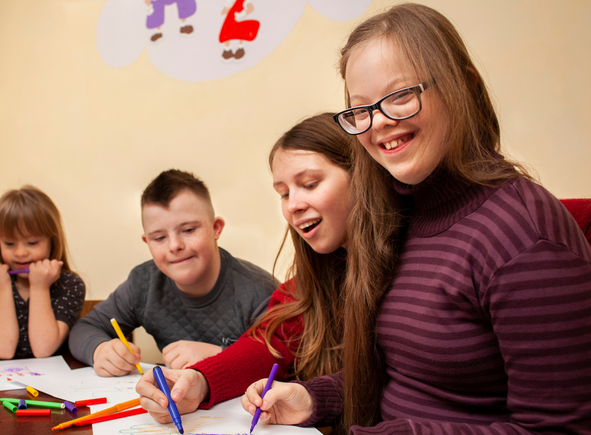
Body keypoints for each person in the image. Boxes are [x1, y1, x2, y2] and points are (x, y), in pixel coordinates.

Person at [241, 4, 591, 434]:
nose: (381, 123)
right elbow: (409, 379)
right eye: (362, 109)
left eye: (402, 95)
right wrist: (316, 397)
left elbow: (562, 429)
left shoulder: (524, 234)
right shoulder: (402, 219)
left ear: (465, 84)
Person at [136, 113, 355, 422]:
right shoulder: (310, 283)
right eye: (284, 193)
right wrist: (200, 381)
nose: (293, 205)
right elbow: (270, 343)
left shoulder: (410, 268)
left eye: (309, 184)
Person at [69, 169, 275, 376]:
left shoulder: (262, 292)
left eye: (188, 230)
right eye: (159, 238)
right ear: (147, 241)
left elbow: (290, 362)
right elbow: (84, 329)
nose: (175, 246)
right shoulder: (143, 283)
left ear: (216, 228)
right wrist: (99, 350)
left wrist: (222, 357)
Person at [0, 186, 85, 360]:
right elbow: (3, 350)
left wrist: (40, 287)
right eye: (9, 243)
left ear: (52, 241)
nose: (20, 252)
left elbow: (43, 349)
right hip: (2, 380)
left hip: (55, 381)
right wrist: (2, 288)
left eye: (32, 242)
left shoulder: (69, 284)